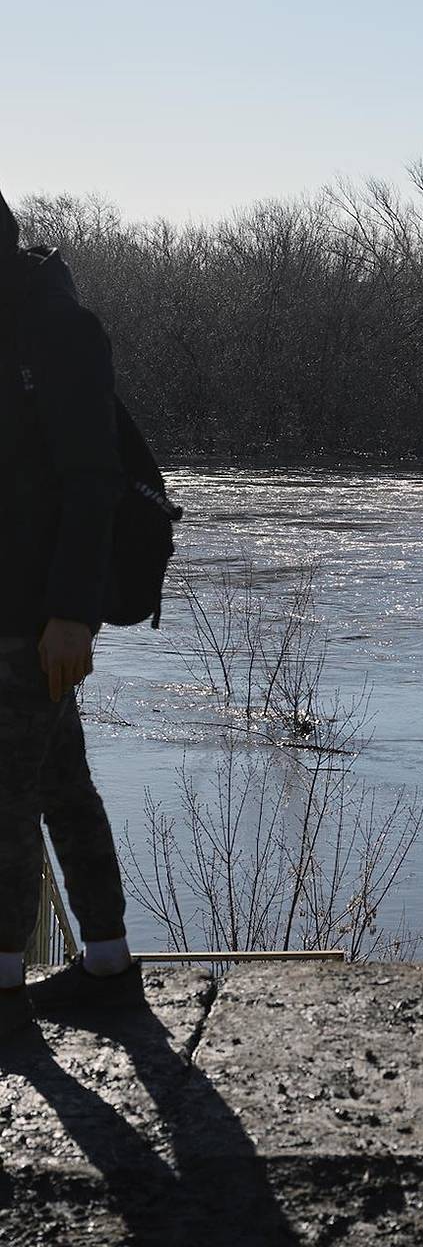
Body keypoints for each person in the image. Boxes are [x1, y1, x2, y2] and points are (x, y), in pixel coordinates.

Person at [0, 188, 143, 1039]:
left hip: (35, 614)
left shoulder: (56, 331)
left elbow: (95, 481)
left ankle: (6, 983)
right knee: (58, 784)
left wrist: (72, 614)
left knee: (6, 796)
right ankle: (107, 962)